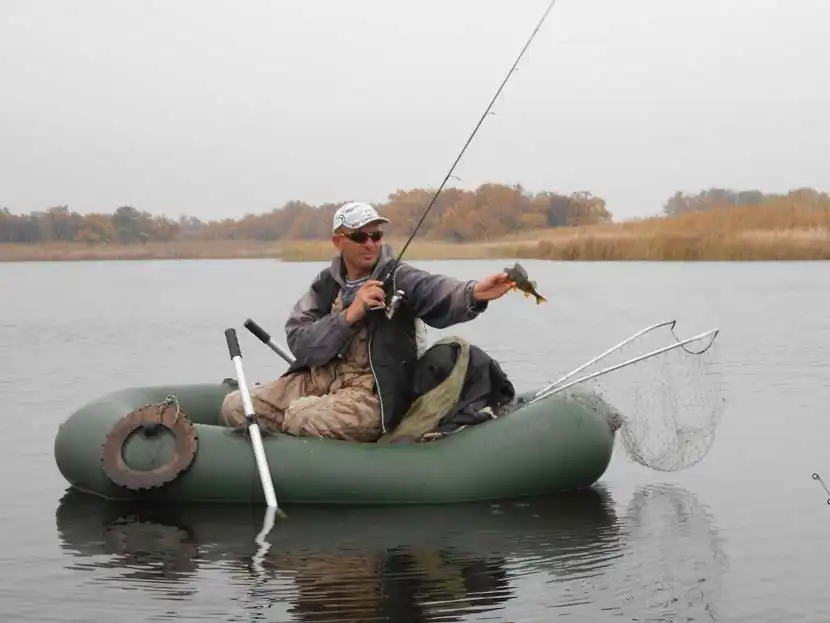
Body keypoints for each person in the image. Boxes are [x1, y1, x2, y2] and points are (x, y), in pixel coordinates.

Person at [220, 201, 515, 441]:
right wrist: (349, 316)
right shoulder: (325, 285)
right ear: (339, 242)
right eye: (360, 237)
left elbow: (433, 291)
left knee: (301, 416)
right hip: (319, 381)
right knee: (236, 406)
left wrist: (474, 293)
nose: (370, 244)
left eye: (376, 236)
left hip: (373, 394)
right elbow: (300, 342)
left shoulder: (399, 277)